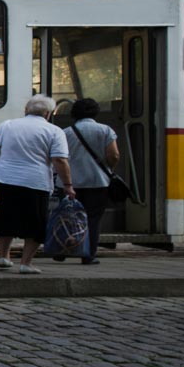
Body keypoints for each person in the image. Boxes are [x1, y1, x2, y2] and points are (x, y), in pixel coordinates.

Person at [0, 93, 74, 274]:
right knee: (36, 222)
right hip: (36, 181)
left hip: (5, 178)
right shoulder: (54, 131)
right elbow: (59, 160)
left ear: (26, 110)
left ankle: (4, 256)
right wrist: (68, 185)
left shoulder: (7, 125)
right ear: (48, 113)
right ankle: (26, 263)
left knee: (6, 216)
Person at [61, 97, 120, 265]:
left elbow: (60, 157)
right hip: (97, 182)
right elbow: (114, 155)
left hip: (71, 183)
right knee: (93, 219)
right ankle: (88, 255)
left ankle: (62, 248)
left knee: (68, 217)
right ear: (95, 112)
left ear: (74, 113)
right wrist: (110, 168)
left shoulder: (66, 132)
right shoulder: (105, 130)